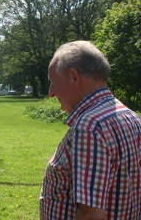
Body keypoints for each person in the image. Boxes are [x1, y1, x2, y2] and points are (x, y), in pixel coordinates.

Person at [40, 40, 141, 219]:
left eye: (54, 82)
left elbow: (91, 215)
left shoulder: (90, 126)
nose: (51, 92)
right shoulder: (130, 116)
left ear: (74, 76)